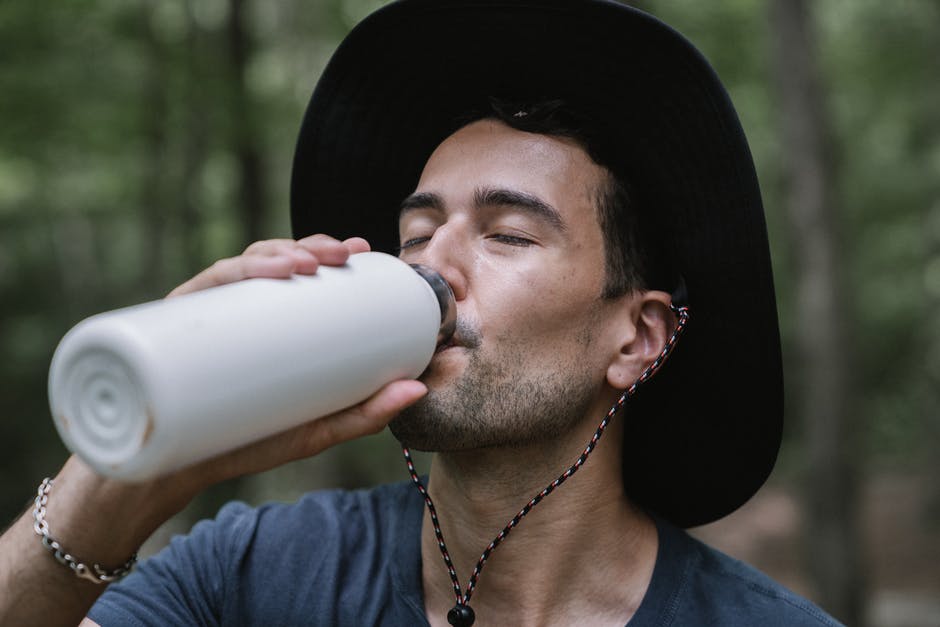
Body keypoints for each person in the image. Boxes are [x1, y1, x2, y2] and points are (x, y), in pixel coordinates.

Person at [0, 1, 843, 625]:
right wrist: (125, 479)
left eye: (508, 234)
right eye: (416, 231)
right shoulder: (252, 576)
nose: (432, 266)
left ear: (638, 337)